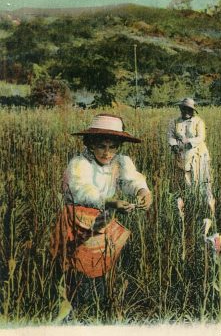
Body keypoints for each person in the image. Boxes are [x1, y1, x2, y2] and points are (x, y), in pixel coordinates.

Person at [50, 114, 152, 316]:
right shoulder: (80, 163)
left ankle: (98, 302)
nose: (107, 153)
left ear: (118, 147)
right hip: (77, 220)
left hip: (102, 220)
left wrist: (143, 191)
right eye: (101, 146)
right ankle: (71, 306)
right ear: (90, 144)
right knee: (77, 263)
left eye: (112, 147)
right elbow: (81, 190)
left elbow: (132, 180)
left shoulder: (121, 162)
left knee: (102, 261)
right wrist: (109, 201)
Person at [167, 97, 215, 214]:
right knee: (185, 181)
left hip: (198, 155)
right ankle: (187, 207)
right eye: (184, 109)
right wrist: (174, 145)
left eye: (189, 110)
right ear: (181, 109)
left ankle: (206, 208)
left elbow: (201, 137)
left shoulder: (199, 122)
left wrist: (188, 142)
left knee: (201, 181)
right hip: (181, 155)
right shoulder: (174, 122)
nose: (187, 112)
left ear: (193, 111)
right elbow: (170, 136)